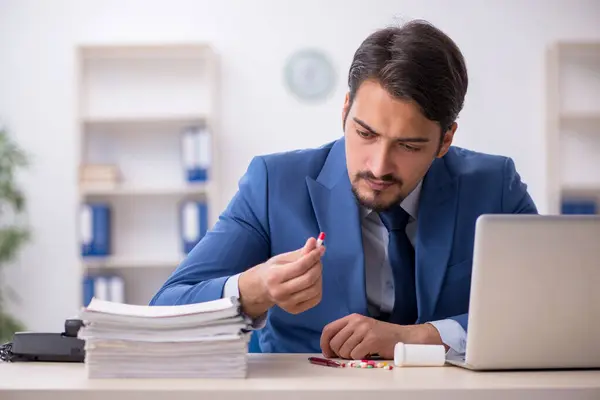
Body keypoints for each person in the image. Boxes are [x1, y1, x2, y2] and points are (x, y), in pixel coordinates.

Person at [150, 19, 537, 360]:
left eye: (409, 145)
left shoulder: (493, 185)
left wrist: (420, 337)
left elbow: (546, 309)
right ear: (345, 110)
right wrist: (254, 288)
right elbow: (165, 309)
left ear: (445, 140)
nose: (378, 165)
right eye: (365, 133)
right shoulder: (273, 183)